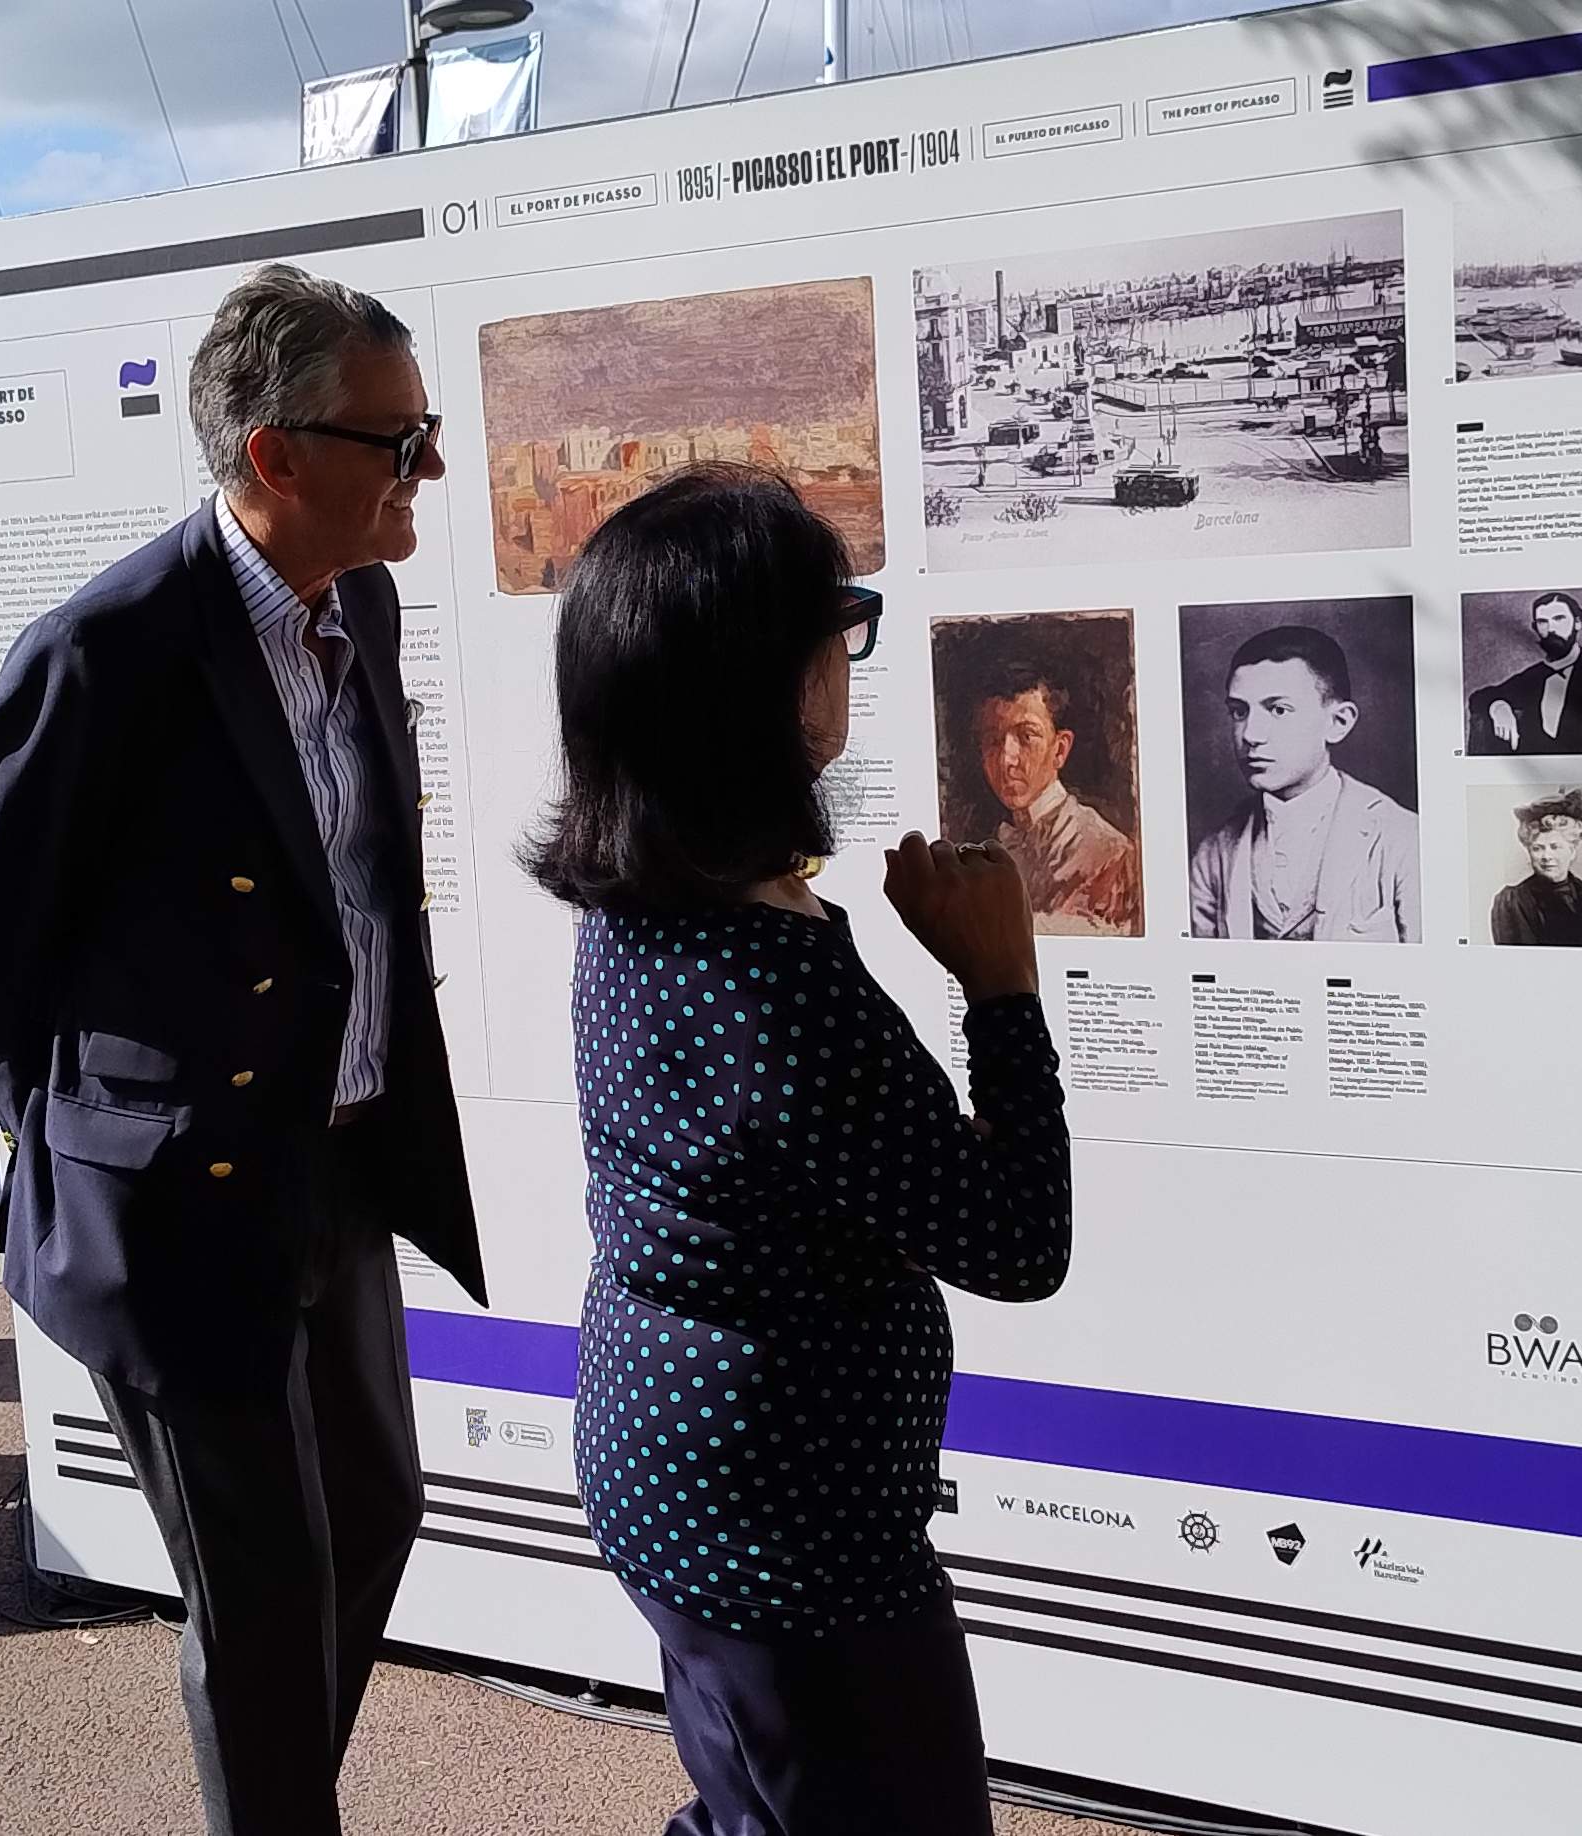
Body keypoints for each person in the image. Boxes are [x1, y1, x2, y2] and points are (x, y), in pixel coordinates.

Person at [0, 262, 485, 1833]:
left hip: (341, 1159)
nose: (429, 469)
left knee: (374, 1517)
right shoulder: (108, 647)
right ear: (275, 454)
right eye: (399, 438)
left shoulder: (358, 604)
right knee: (257, 1586)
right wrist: (93, 1148)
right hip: (184, 1195)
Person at [528, 464, 1070, 1836]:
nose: (849, 653)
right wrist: (1002, 988)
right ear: (761, 682)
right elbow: (1018, 1241)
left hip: (683, 1470)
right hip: (792, 1541)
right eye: (839, 624)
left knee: (757, 1803)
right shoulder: (769, 977)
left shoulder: (648, 894)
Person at [1185, 622, 1419, 941]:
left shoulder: (1401, 839)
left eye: (1278, 710)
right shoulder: (1214, 854)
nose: (1251, 734)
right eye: (1239, 712)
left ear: (1338, 723)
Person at [955, 648, 1138, 934]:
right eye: (992, 740)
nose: (1006, 759)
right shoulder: (986, 850)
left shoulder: (1109, 855)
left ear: (1060, 749)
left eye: (1026, 736)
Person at [1465, 590, 1582, 754]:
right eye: (1542, 622)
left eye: (1559, 619)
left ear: (1578, 622)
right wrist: (1499, 707)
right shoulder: (1534, 676)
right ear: (1535, 628)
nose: (1551, 629)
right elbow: (1479, 697)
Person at [1489, 788, 1582, 947]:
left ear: (1571, 851)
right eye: (1537, 848)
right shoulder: (1513, 901)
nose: (1546, 856)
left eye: (1555, 847)